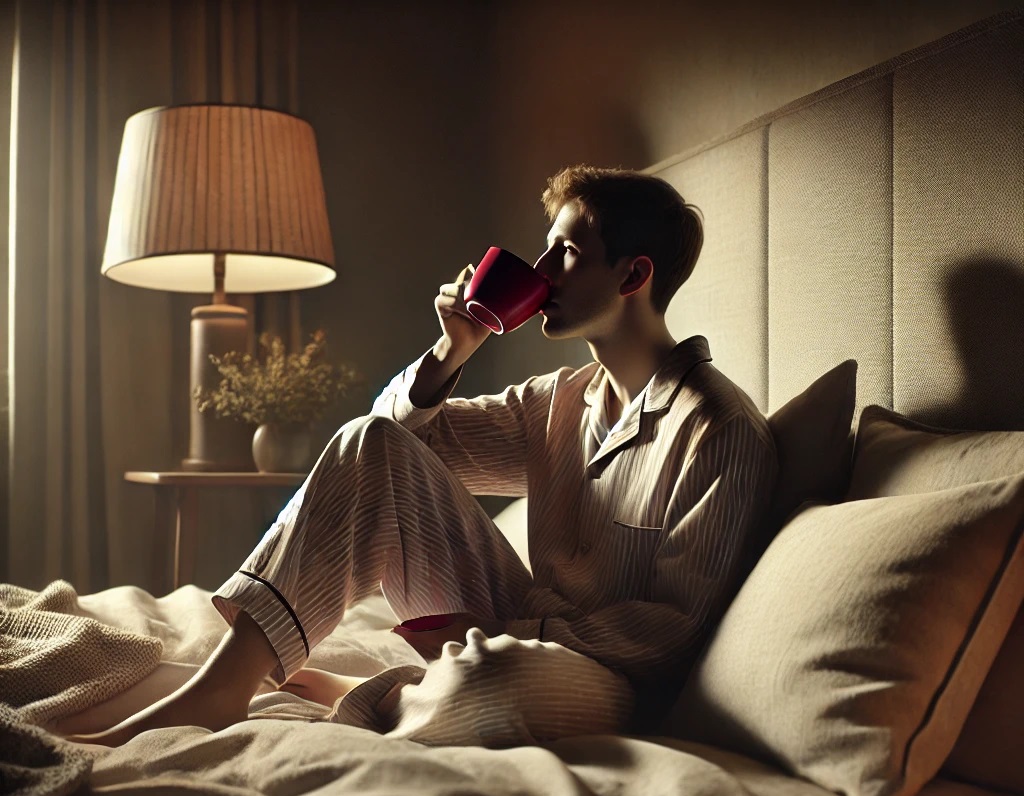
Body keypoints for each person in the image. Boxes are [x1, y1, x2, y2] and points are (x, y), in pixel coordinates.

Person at [75, 165, 777, 748]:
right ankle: (221, 691)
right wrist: (454, 349)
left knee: (490, 683)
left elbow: (670, 634)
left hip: (609, 674)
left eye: (567, 252)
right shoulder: (560, 400)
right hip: (522, 622)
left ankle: (372, 695)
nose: (541, 271)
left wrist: (507, 634)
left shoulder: (720, 429)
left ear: (634, 276)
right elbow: (394, 447)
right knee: (368, 440)